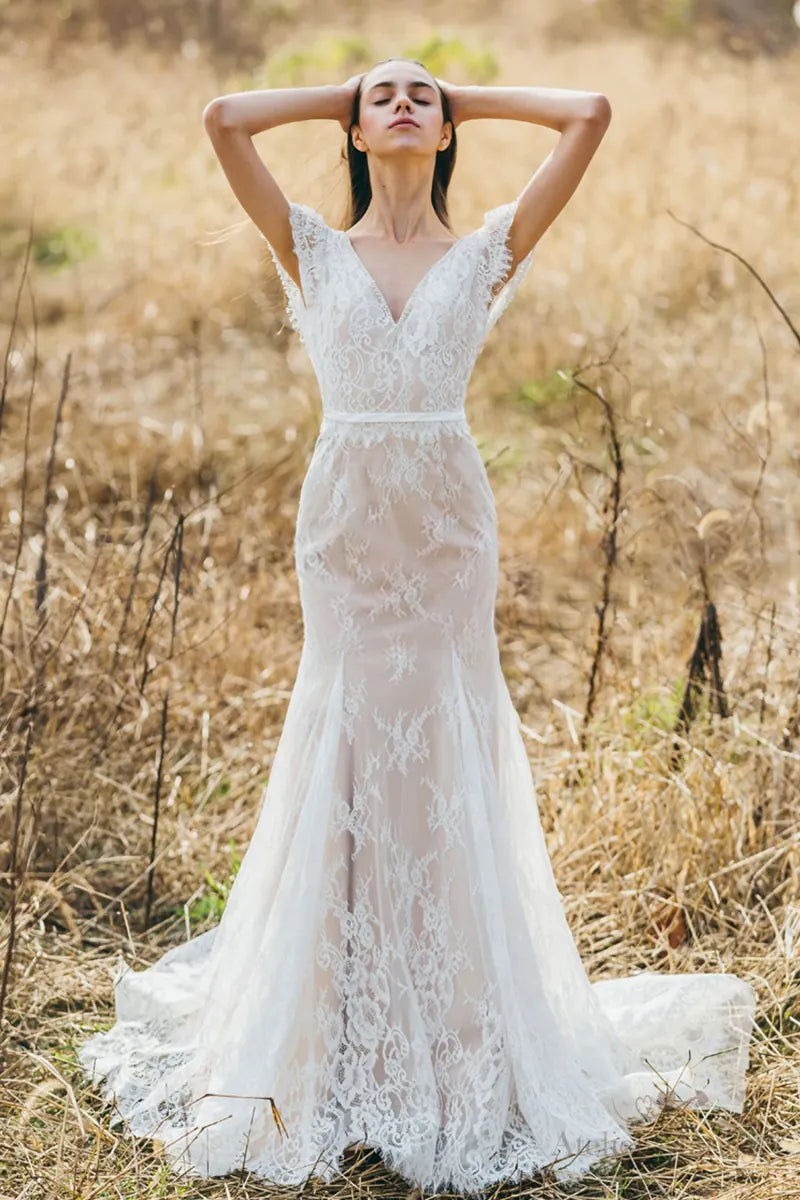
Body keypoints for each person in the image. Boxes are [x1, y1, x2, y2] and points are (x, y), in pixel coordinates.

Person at [77, 58, 757, 1196]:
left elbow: (587, 115)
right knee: (344, 738)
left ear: (444, 132)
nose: (402, 102)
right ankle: (330, 1027)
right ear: (352, 123)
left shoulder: (483, 253)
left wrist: (460, 102)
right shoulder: (307, 243)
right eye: (380, 96)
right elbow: (219, 117)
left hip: (443, 529)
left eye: (421, 97)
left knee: (439, 747)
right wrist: (347, 94)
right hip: (344, 524)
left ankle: (451, 1027)